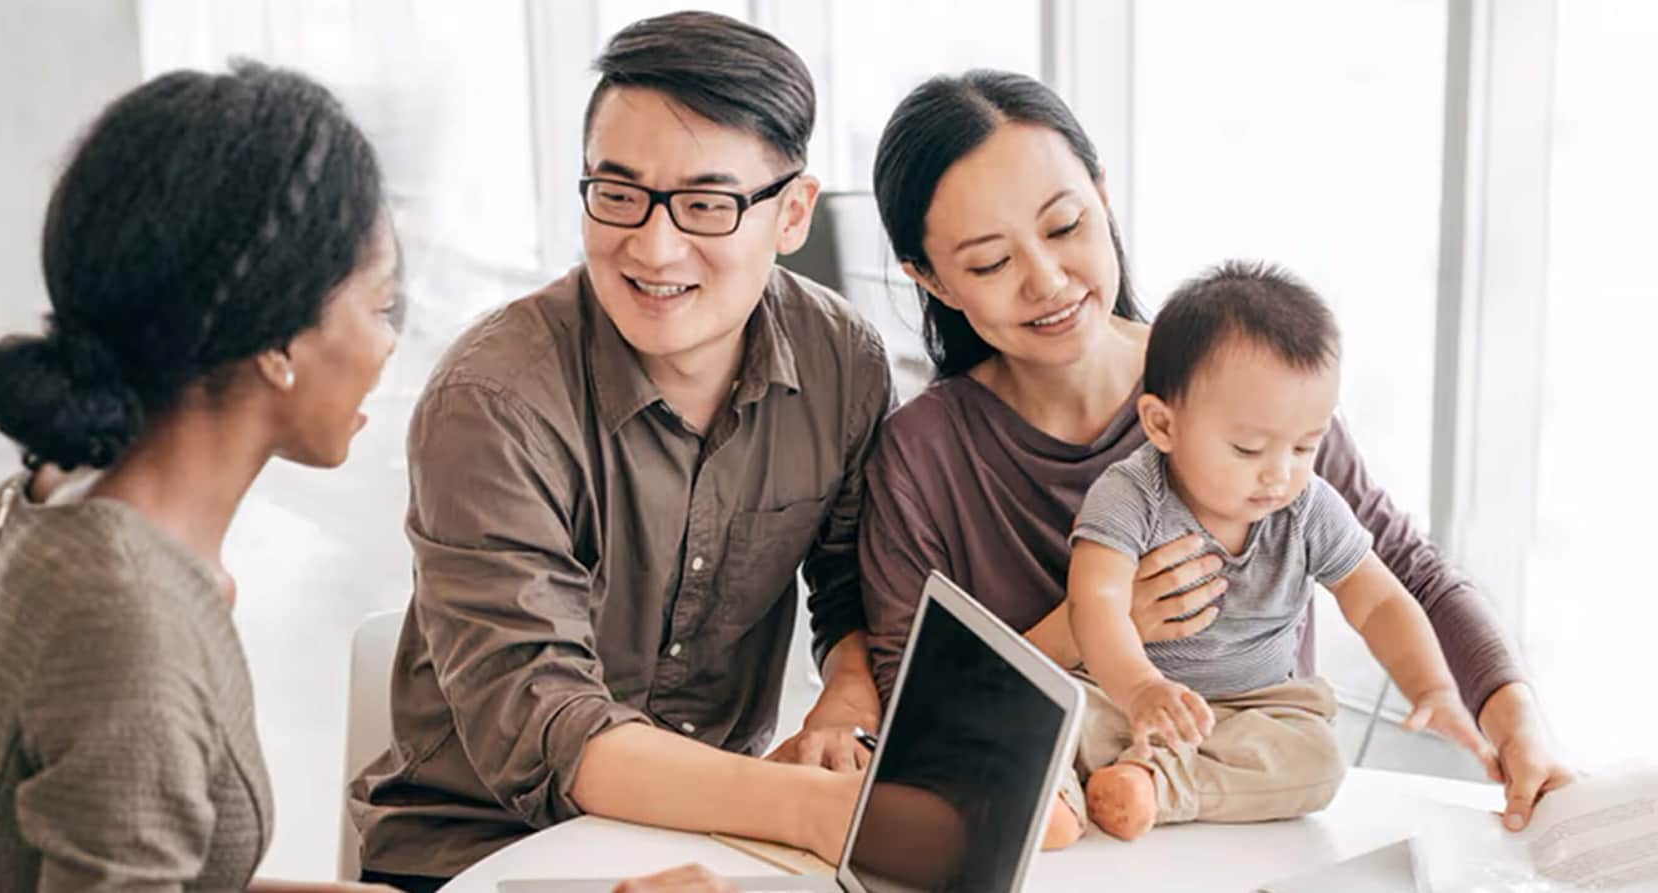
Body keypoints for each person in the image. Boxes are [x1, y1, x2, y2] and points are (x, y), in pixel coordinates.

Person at [0, 60, 730, 893]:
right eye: (382, 308)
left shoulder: (54, 504)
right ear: (277, 339)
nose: (390, 346)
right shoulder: (125, 621)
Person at [856, 68, 1574, 850]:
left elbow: (1407, 574)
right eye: (991, 262)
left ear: (1102, 194)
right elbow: (912, 704)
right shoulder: (921, 454)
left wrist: (1516, 719)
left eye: (1065, 226)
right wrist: (1094, 627)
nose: (1049, 280)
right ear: (928, 278)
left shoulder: (1246, 394)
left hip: (1253, 838)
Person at [349, 11, 893, 888]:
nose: (652, 245)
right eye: (618, 192)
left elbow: (851, 586)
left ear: (792, 213)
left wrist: (848, 700)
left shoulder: (844, 362)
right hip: (479, 851)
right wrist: (811, 808)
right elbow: (549, 722)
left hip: (713, 834)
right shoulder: (491, 401)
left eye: (708, 205)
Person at [1064, 261, 1496, 841]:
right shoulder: (1130, 492)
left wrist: (1432, 687)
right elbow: (1095, 602)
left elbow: (1379, 603)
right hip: (1128, 694)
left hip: (1256, 709)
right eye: (1248, 448)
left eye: (1303, 446)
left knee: (1316, 762)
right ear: (1163, 425)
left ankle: (1156, 788)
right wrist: (1140, 688)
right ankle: (1062, 798)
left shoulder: (1308, 506)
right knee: (1062, 716)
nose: (1279, 473)